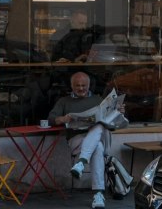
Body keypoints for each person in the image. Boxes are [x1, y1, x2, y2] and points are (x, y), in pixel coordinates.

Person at [47, 72, 125, 209]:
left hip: (101, 137)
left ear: (89, 85)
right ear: (71, 86)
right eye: (77, 85)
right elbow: (51, 119)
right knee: (98, 148)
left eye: (84, 85)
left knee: (100, 125)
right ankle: (98, 195)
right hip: (77, 140)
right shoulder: (64, 101)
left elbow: (111, 125)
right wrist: (63, 119)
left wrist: (118, 112)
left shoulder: (98, 100)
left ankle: (81, 163)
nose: (81, 88)